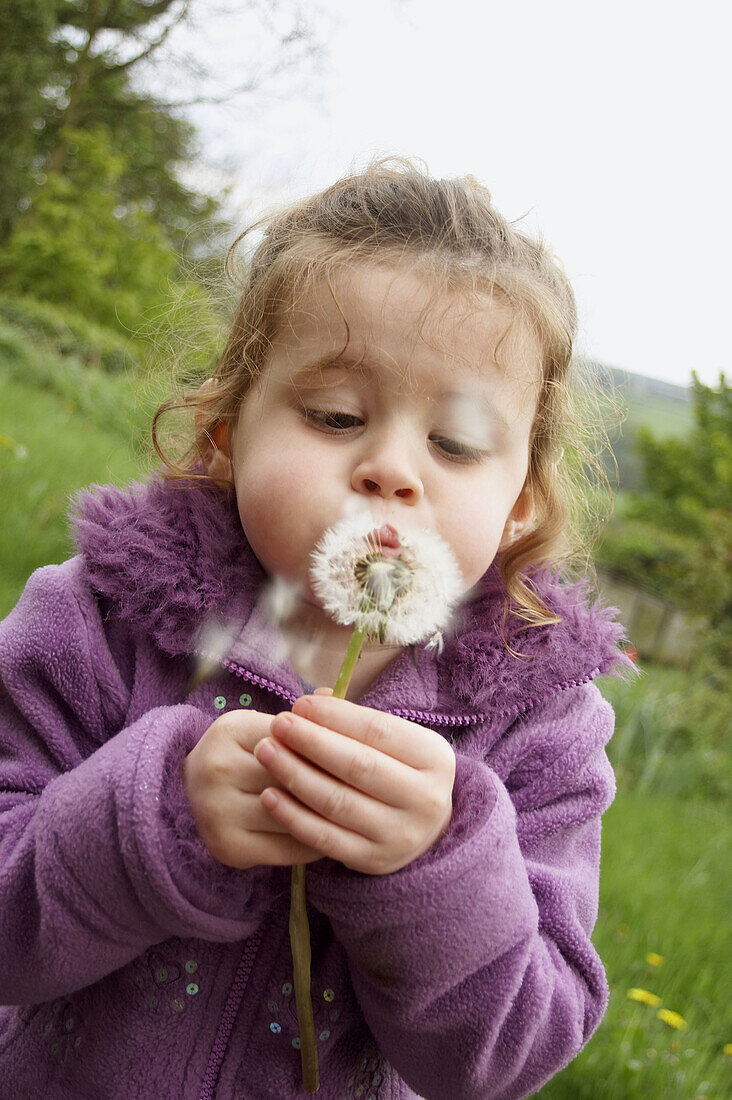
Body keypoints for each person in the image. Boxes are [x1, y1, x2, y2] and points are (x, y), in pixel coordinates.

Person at [0, 159, 632, 1100]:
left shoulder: (541, 725)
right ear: (226, 432)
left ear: (518, 508)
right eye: (336, 415)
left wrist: (436, 867)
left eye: (454, 444)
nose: (390, 468)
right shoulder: (96, 621)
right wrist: (157, 819)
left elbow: (510, 1058)